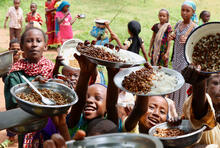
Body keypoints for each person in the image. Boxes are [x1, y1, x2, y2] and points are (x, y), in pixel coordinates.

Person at [3, 27, 61, 147]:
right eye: (29, 41)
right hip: (27, 127)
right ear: (22, 47)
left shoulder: (51, 68)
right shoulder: (15, 74)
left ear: (45, 46)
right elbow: (13, 107)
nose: (34, 44)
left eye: (38, 41)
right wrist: (31, 87)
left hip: (51, 128)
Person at [173, 65, 220, 146]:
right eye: (216, 83)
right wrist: (199, 84)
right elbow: (200, 113)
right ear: (206, 86)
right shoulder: (196, 104)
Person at [168, 0, 197, 114]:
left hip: (186, 61)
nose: (184, 13)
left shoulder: (194, 27)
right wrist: (173, 36)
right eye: (183, 10)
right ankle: (171, 110)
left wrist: (189, 41)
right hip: (176, 60)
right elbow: (176, 36)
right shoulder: (178, 24)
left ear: (193, 12)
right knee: (174, 83)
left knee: (183, 85)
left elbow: (196, 46)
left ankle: (180, 113)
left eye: (187, 11)